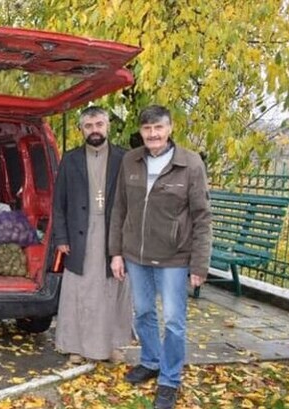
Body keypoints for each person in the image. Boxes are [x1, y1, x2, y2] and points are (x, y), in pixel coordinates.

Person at [109, 105, 212, 409]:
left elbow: (202, 217)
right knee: (142, 312)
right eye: (147, 129)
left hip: (174, 258)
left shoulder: (190, 164)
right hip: (136, 255)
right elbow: (119, 209)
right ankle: (151, 362)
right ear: (141, 132)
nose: (153, 134)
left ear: (169, 128)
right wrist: (116, 252)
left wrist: (199, 263)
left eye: (158, 128)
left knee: (174, 322)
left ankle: (169, 379)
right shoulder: (131, 160)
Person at [52, 106, 133, 364]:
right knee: (79, 290)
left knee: (113, 289)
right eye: (89, 126)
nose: (94, 130)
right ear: (81, 129)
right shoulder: (71, 158)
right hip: (80, 233)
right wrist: (61, 237)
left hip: (114, 233)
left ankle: (112, 346)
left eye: (99, 124)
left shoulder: (124, 157)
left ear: (107, 126)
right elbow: (59, 202)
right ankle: (74, 345)